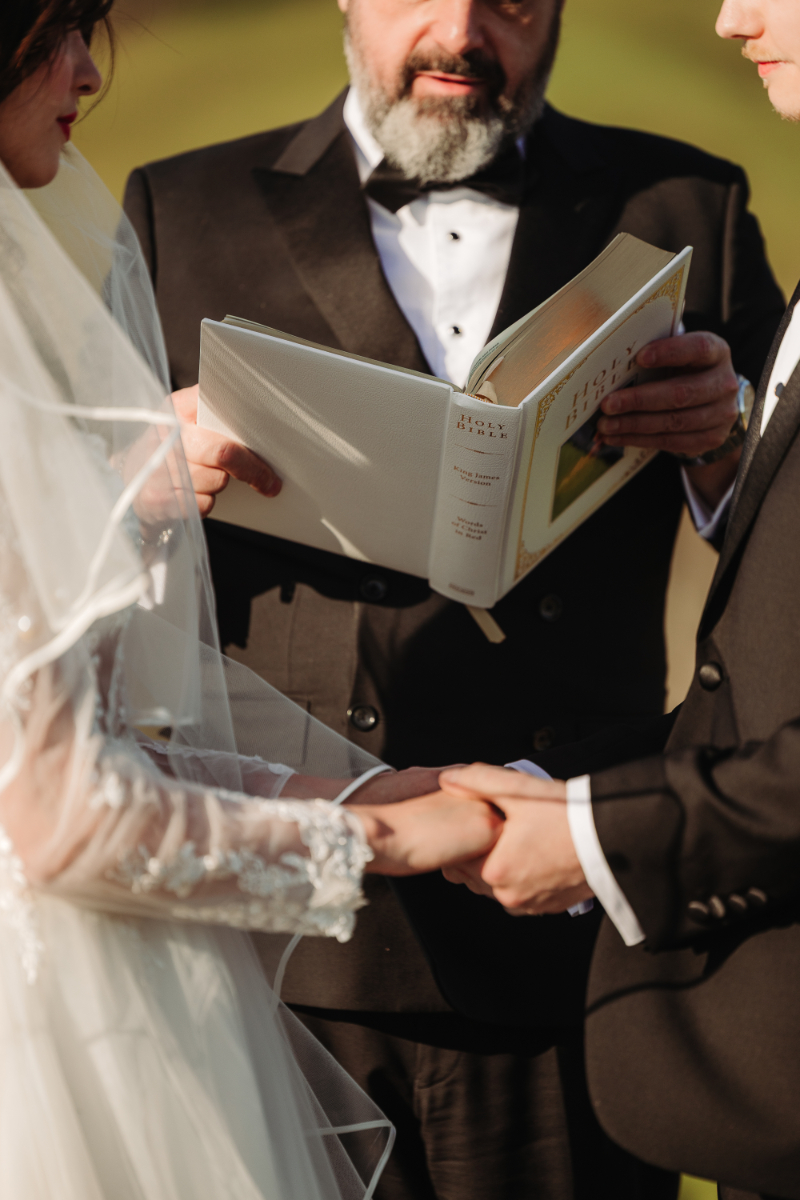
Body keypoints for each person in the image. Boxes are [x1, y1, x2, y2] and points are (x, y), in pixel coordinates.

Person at [123, 1, 785, 1196]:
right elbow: (82, 573)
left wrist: (721, 441)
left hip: (569, 929)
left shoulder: (687, 203)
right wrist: (140, 481)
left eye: (513, 1)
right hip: (291, 930)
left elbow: (777, 562)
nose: (462, 31)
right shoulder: (181, 204)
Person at [0, 7, 503, 1198]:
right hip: (63, 1037)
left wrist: (372, 788)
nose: (86, 73)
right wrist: (369, 837)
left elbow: (83, 718)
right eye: (56, 32)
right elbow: (62, 820)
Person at [437, 4, 800, 1197]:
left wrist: (592, 840)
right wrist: (558, 797)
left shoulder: (702, 204)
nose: (726, 14)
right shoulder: (174, 203)